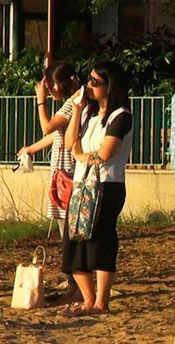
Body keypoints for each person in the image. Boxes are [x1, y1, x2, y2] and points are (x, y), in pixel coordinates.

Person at [61, 61, 133, 316]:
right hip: (82, 185)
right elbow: (70, 142)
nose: (88, 86)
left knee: (101, 239)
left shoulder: (120, 115)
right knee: (75, 240)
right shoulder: (91, 114)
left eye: (94, 82)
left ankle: (101, 301)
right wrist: (78, 110)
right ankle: (88, 299)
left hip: (106, 185)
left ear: (109, 86)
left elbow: (105, 153)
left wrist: (80, 154)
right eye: (88, 80)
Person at [17, 62, 81, 306]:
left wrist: (40, 101)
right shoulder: (74, 101)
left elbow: (47, 127)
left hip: (68, 173)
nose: (49, 91)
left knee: (69, 232)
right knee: (66, 230)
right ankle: (74, 282)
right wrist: (31, 149)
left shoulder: (73, 101)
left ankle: (76, 286)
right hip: (62, 173)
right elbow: (55, 134)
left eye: (50, 87)